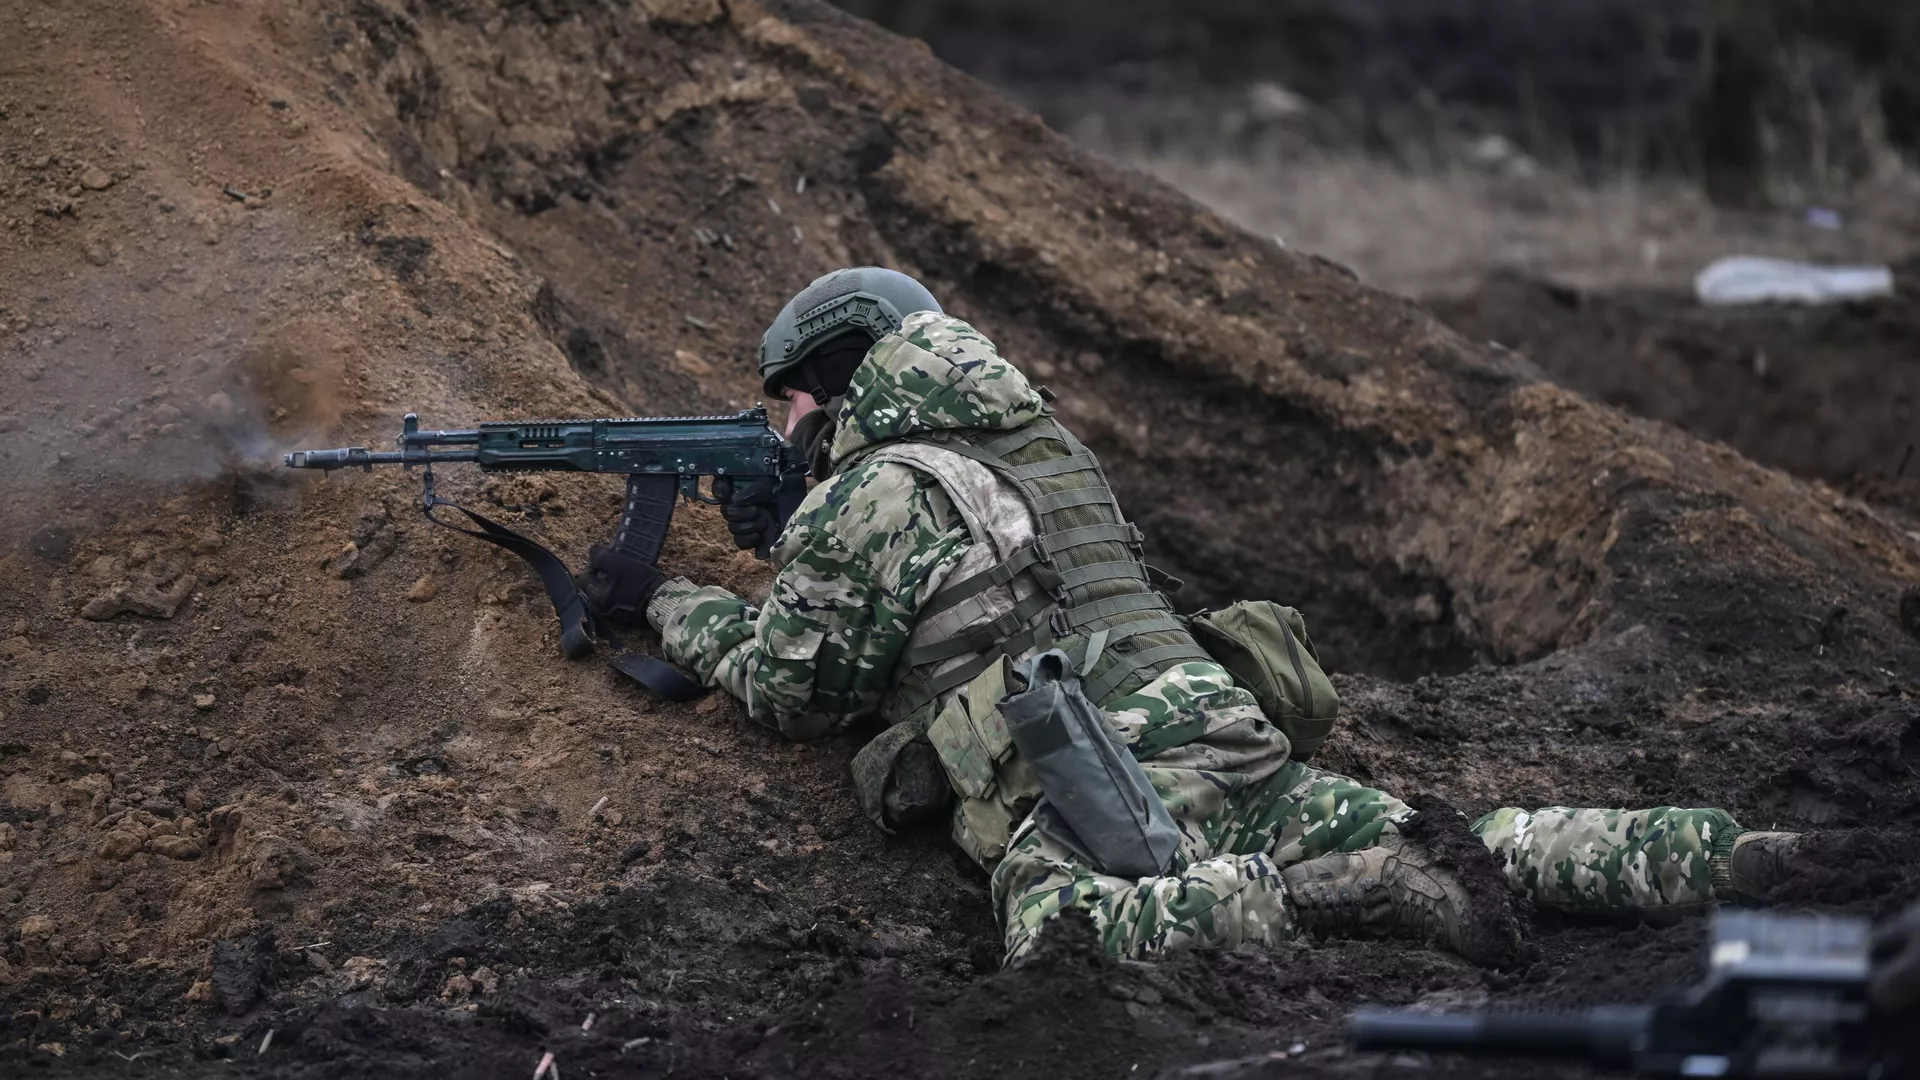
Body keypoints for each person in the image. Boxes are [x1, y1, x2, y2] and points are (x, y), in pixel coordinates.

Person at [581, 266, 1808, 966]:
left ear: (837, 379)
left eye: (793, 402)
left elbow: (797, 691)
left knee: (1055, 921)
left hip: (1101, 771)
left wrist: (681, 606)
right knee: (1469, 835)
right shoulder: (1040, 443)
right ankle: (1722, 856)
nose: (789, 426)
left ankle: (1328, 895)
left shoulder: (876, 491)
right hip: (1219, 719)